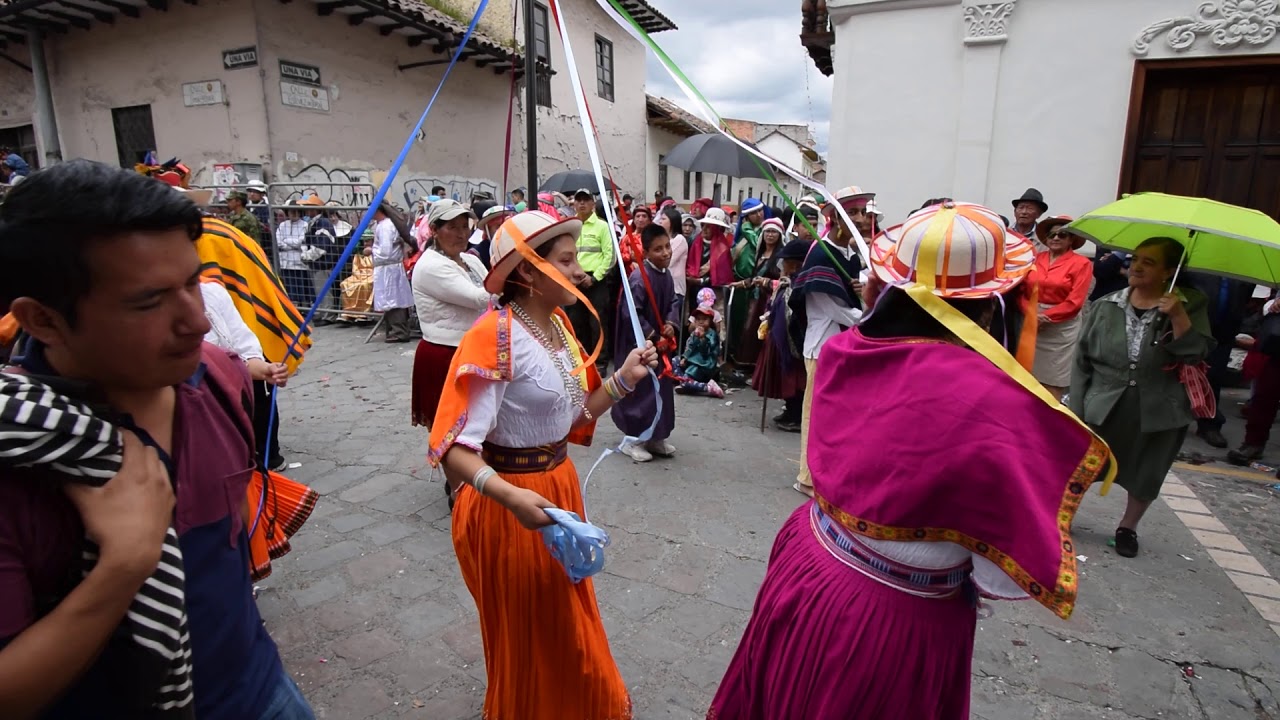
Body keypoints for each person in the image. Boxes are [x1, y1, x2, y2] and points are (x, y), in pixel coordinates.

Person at [710, 201, 1112, 720]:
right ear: (992, 304)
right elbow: (998, 577)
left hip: (805, 559)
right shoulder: (998, 405)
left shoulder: (846, 350)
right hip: (891, 615)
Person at [0, 159, 314, 718]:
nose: (195, 321)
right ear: (42, 320)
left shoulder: (220, 376)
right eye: (148, 302)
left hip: (263, 688)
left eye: (193, 282)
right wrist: (123, 566)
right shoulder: (18, 449)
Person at [428, 210, 657, 720]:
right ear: (529, 272)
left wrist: (623, 379)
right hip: (510, 508)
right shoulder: (494, 337)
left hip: (557, 489)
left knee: (563, 619)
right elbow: (453, 450)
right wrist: (509, 497)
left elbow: (574, 414)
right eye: (567, 260)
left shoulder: (554, 325)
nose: (580, 272)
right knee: (537, 627)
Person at [1070, 236, 1212, 558]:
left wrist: (1178, 316)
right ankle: (1063, 517)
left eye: (1148, 262)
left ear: (1169, 271)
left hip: (1160, 406)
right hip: (1103, 401)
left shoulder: (1189, 303)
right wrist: (1076, 407)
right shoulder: (1107, 304)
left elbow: (1196, 354)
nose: (1136, 266)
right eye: (1135, 259)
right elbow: (1081, 361)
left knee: (1148, 469)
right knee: (1081, 465)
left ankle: (1128, 528)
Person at [789, 186, 866, 497]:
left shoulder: (852, 255)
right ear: (835, 218)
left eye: (863, 212)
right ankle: (807, 477)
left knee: (837, 415)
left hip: (847, 347)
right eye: (853, 213)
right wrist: (873, 311)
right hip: (823, 347)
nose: (861, 219)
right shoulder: (821, 254)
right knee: (815, 413)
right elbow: (837, 310)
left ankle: (829, 471)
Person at [410, 199, 490, 426]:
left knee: (476, 427)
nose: (461, 234)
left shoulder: (469, 260)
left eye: (465, 226)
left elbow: (488, 287)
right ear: (434, 230)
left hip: (471, 351)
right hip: (445, 354)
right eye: (452, 227)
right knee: (450, 430)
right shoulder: (431, 266)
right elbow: (479, 298)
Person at [613, 224, 682, 463]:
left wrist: (671, 325)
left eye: (667, 247)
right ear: (646, 252)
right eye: (658, 249)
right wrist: (652, 336)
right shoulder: (638, 279)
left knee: (661, 389)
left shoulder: (667, 275)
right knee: (641, 391)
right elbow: (630, 314)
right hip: (641, 347)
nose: (665, 253)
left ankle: (655, 437)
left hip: (661, 347)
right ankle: (633, 440)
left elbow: (673, 302)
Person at [1031, 215, 1093, 399]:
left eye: (1062, 235)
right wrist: (1031, 313)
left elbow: (1075, 302)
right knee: (1028, 377)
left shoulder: (1082, 264)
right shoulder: (1035, 258)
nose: (1056, 238)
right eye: (1052, 235)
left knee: (1053, 379)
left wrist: (1045, 316)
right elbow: (1022, 292)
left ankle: (1049, 420)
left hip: (1062, 327)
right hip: (1031, 321)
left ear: (1071, 239)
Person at [1187, 273, 1252, 449]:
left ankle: (1209, 424)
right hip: (1192, 327)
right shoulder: (1200, 264)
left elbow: (1245, 297)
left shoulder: (1239, 271)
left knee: (1214, 376)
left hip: (1224, 331)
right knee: (1179, 374)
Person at [754, 239, 810, 432]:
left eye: (785, 261)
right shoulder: (788, 283)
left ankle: (796, 415)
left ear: (796, 264)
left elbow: (793, 312)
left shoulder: (799, 285)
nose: (782, 265)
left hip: (793, 341)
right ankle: (790, 410)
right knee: (787, 379)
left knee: (795, 381)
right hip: (780, 338)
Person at [565, 189, 615, 371]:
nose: (582, 203)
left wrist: (594, 278)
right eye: (578, 200)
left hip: (596, 281)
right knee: (576, 322)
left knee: (597, 323)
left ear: (593, 204)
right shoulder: (570, 226)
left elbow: (610, 256)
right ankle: (581, 360)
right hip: (574, 281)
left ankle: (600, 363)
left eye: (586, 200)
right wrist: (574, 275)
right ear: (574, 204)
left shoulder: (602, 226)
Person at [735, 217, 787, 367]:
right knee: (749, 330)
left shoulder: (781, 256)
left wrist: (765, 283)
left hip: (769, 299)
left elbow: (783, 280)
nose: (770, 235)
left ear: (779, 235)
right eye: (767, 232)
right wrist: (741, 284)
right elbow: (754, 277)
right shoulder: (761, 252)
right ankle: (748, 365)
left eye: (773, 232)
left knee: (762, 331)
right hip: (755, 298)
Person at [369, 202, 415, 343]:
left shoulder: (386, 227)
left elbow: (386, 251)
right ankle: (394, 329)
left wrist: (371, 251)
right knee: (391, 299)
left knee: (393, 300)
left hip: (389, 268)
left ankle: (399, 331)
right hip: (388, 268)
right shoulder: (382, 225)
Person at [674, 298, 725, 398]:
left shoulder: (712, 334)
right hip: (692, 360)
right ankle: (687, 383)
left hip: (704, 364)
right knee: (674, 361)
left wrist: (702, 339)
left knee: (687, 378)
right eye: (698, 319)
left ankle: (706, 387)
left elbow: (708, 352)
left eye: (704, 319)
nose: (701, 322)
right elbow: (690, 347)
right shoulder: (694, 333)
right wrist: (685, 358)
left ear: (710, 321)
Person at [275, 202, 315, 312]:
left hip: (299, 262)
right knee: (289, 285)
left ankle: (304, 307)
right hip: (286, 262)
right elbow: (278, 242)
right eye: (291, 211)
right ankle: (293, 308)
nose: (293, 213)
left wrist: (287, 242)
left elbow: (301, 241)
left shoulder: (304, 225)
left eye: (295, 211)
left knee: (301, 285)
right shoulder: (283, 225)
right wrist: (292, 244)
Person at [657, 206, 689, 306]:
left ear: (672, 221)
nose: (660, 221)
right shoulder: (661, 239)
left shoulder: (679, 239)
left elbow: (667, 262)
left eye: (663, 219)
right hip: (662, 288)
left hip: (676, 289)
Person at [340, 229, 375, 319]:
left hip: (372, 276)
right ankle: (348, 311)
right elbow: (355, 269)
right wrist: (360, 275)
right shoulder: (358, 254)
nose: (365, 243)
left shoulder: (376, 253)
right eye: (364, 241)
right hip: (359, 276)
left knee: (364, 285)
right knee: (345, 284)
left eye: (368, 241)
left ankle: (364, 312)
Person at [469, 204, 514, 271]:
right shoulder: (475, 255)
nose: (504, 229)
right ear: (487, 231)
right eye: (498, 226)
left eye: (507, 224)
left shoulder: (517, 247)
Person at [619, 205, 652, 277]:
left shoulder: (653, 237)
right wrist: (630, 257)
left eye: (644, 216)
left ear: (649, 220)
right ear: (633, 220)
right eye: (638, 216)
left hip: (649, 275)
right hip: (629, 276)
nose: (640, 219)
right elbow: (621, 257)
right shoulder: (627, 238)